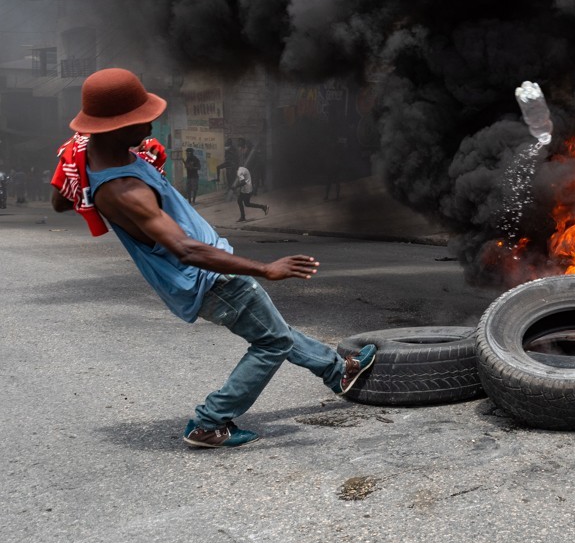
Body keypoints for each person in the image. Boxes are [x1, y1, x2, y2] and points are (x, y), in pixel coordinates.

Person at [50, 68, 376, 448]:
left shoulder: (87, 154)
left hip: (198, 275)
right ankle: (209, 421)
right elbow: (186, 249)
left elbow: (60, 199)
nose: (152, 122)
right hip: (208, 277)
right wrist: (266, 268)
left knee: (272, 328)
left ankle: (339, 372)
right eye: (141, 119)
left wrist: (78, 159)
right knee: (271, 341)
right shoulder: (124, 189)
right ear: (114, 126)